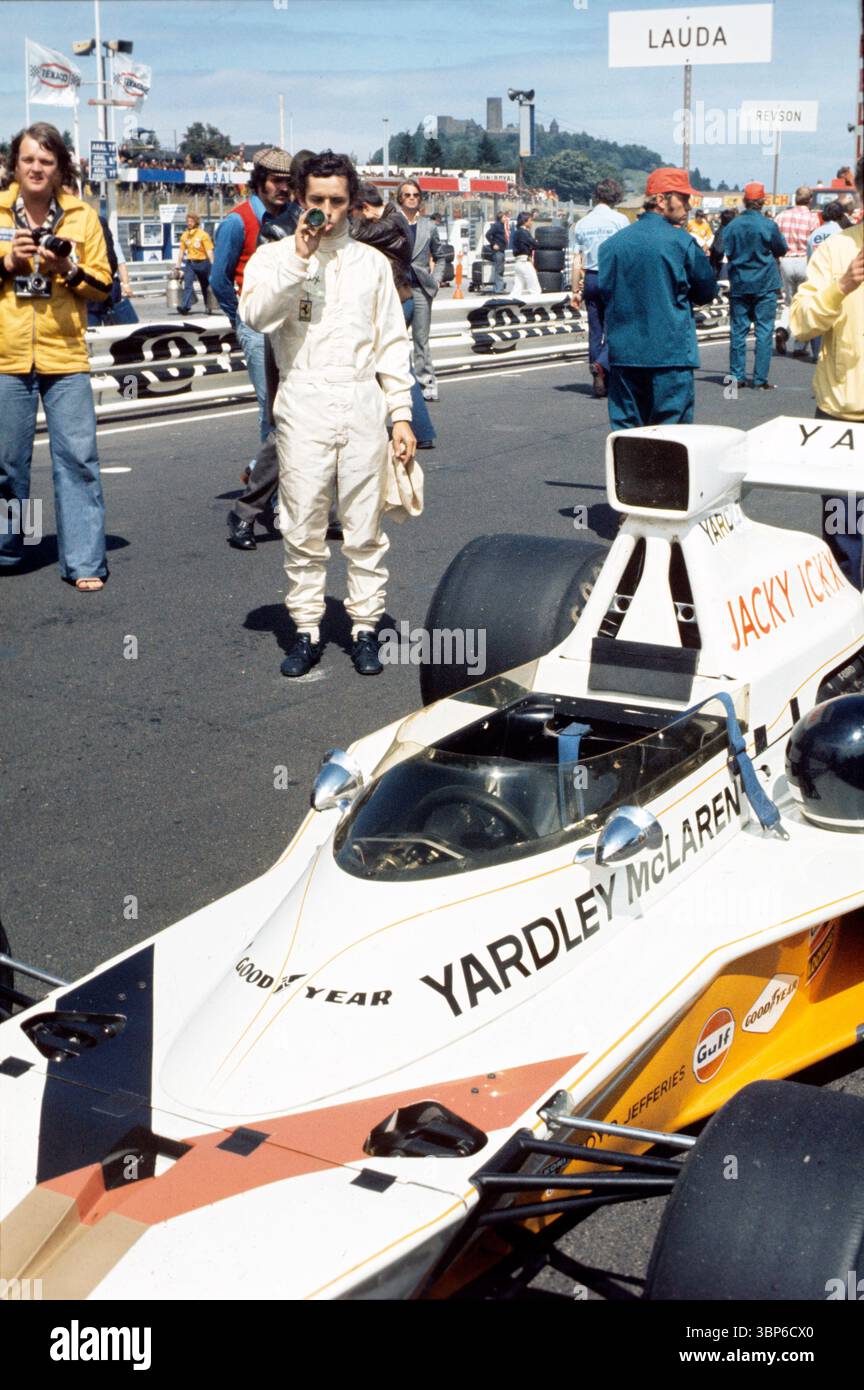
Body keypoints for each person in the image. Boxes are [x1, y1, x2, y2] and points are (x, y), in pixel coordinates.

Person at [240, 151, 416, 678]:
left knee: (364, 525)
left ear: (353, 204)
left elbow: (392, 341)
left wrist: (401, 414)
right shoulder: (274, 258)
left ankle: (364, 627)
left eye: (337, 201)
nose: (326, 211)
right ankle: (307, 628)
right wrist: (298, 258)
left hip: (362, 401)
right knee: (303, 525)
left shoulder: (371, 264)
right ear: (299, 199)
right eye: (316, 200)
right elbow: (257, 316)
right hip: (304, 399)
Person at [0, 123, 112, 589]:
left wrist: (67, 269)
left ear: (59, 167)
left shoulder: (83, 216)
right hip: (6, 354)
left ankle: (84, 562)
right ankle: (12, 547)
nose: (36, 168)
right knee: (8, 463)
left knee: (77, 459)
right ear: (15, 164)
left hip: (65, 354)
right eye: (28, 159)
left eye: (46, 161)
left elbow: (104, 288)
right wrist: (8, 262)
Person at [211, 145, 301, 550]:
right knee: (275, 414)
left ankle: (262, 477)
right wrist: (241, 321)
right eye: (277, 181)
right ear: (260, 180)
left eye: (288, 182)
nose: (284, 189)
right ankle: (279, 504)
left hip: (293, 325)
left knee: (294, 411)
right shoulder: (237, 221)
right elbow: (218, 279)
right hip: (256, 325)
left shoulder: (297, 218)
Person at [790, 156, 864, 590]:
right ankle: (849, 644)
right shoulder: (838, 249)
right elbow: (800, 324)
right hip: (844, 426)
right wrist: (842, 286)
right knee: (846, 543)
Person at [597, 168, 717, 430]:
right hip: (670, 355)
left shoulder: (612, 245)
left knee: (627, 434)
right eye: (683, 199)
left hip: (625, 354)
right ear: (662, 200)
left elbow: (603, 291)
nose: (688, 206)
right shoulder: (683, 243)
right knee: (671, 436)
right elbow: (706, 291)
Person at [351, 182, 436, 449]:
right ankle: (410, 427)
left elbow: (353, 233)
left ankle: (418, 428)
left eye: (351, 210)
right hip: (398, 298)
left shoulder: (393, 221)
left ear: (364, 207)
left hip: (398, 300)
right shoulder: (392, 220)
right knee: (394, 363)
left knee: (396, 364)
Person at [722, 181, 788, 390]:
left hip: (740, 282)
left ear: (745, 201)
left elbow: (728, 251)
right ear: (762, 202)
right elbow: (781, 249)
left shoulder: (732, 225)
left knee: (738, 331)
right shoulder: (768, 225)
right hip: (765, 282)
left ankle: (737, 377)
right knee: (763, 330)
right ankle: (760, 379)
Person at [571, 178, 628, 398]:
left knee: (595, 330)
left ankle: (596, 369)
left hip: (591, 278)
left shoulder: (582, 223)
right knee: (618, 328)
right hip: (613, 277)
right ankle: (603, 365)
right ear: (616, 196)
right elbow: (625, 253)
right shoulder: (620, 220)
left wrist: (575, 290)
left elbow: (577, 260)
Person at [396, 180, 446, 401]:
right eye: (407, 195)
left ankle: (427, 383)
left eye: (415, 194)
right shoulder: (392, 223)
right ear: (400, 198)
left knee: (421, 339)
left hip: (421, 289)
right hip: (397, 289)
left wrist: (435, 281)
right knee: (394, 338)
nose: (412, 198)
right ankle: (396, 384)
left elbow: (442, 255)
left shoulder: (429, 226)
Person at [774, 187, 820, 357]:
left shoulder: (781, 216)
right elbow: (814, 243)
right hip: (804, 261)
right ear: (810, 200)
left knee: (789, 301)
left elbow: (775, 238)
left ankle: (782, 329)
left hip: (786, 260)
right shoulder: (812, 218)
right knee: (805, 301)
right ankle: (800, 345)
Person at [87, 214, 139, 327]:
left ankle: (92, 342)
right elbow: (121, 264)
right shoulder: (112, 241)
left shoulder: (86, 242)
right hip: (111, 285)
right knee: (113, 320)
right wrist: (125, 284)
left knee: (92, 320)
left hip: (92, 284)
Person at [176, 212, 214, 314]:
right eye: (188, 221)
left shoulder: (203, 235)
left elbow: (209, 251)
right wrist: (178, 266)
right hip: (190, 263)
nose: (189, 223)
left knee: (205, 285)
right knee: (188, 284)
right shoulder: (185, 236)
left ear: (196, 222)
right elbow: (181, 252)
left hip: (203, 263)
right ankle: (185, 307)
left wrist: (213, 265)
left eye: (191, 221)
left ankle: (208, 305)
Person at [511, 211, 541, 296]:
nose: (531, 222)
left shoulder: (517, 232)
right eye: (530, 220)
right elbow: (535, 245)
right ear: (525, 221)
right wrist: (536, 242)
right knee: (535, 289)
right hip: (525, 262)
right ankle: (536, 308)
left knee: (517, 290)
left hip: (518, 262)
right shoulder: (524, 232)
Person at [709, 207, 737, 278]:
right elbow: (719, 249)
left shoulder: (722, 230)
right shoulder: (726, 231)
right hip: (723, 265)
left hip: (722, 265)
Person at [484, 211, 507, 294]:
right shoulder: (496, 225)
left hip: (502, 250)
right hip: (498, 251)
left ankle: (498, 287)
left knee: (500, 269)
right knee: (499, 270)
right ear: (500, 218)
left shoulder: (501, 226)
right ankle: (499, 289)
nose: (506, 219)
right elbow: (487, 234)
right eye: (504, 217)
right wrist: (493, 244)